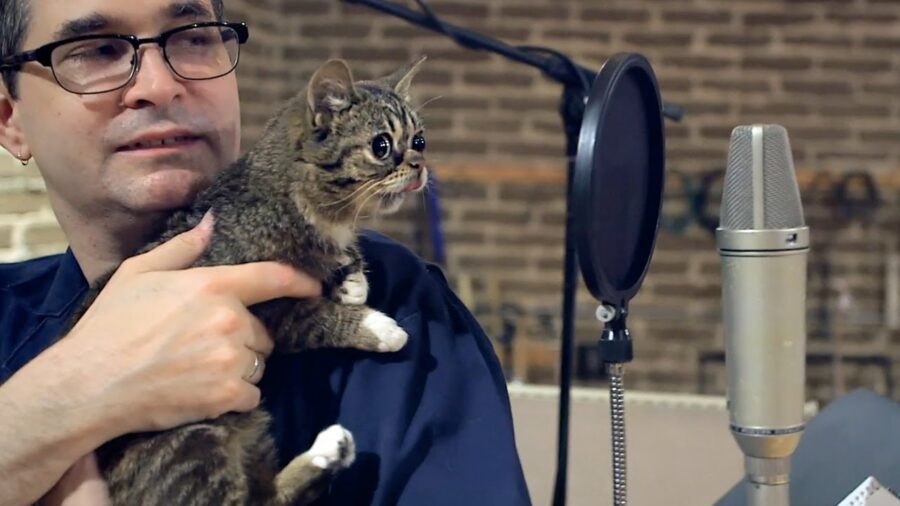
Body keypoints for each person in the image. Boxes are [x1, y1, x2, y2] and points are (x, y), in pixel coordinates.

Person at [0, 0, 532, 504]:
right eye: (97, 50)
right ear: (10, 119)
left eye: (193, 38)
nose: (160, 86)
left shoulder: (401, 303)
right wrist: (51, 407)